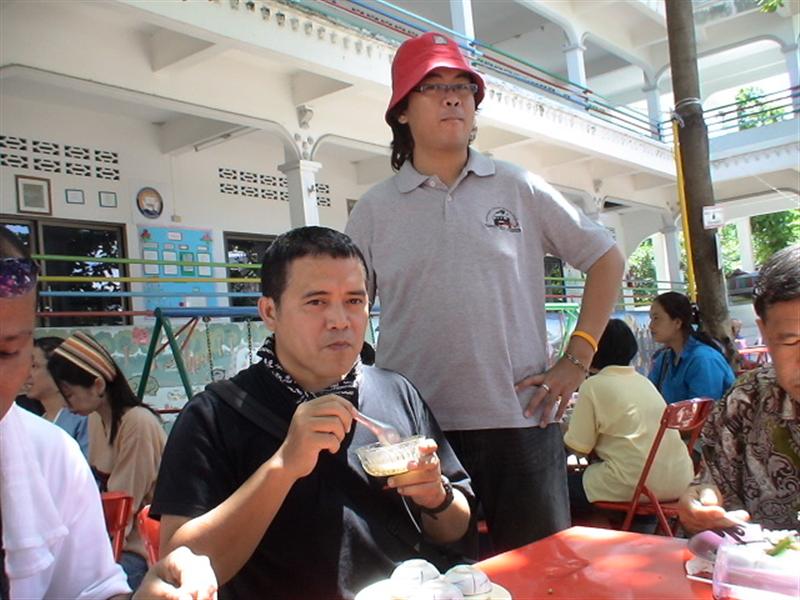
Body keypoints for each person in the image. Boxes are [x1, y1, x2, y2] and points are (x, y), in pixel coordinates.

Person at [345, 31, 625, 552]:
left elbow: (606, 258)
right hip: (415, 433)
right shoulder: (374, 209)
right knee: (430, 576)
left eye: (463, 87)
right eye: (432, 86)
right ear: (401, 110)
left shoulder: (519, 187)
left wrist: (578, 357)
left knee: (541, 570)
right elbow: (348, 304)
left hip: (522, 421)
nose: (452, 97)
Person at [151, 226, 474, 599]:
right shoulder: (214, 416)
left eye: (354, 300)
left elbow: (456, 527)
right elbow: (177, 569)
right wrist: (283, 466)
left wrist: (437, 497)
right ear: (270, 312)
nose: (340, 320)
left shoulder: (396, 391)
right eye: (317, 302)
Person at [0, 226, 217, 600]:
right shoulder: (87, 427)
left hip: (129, 545)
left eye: (7, 352)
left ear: (98, 384)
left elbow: (96, 575)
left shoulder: (65, 449)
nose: (67, 401)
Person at [678, 245, 800, 533]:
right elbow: (712, 492)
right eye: (791, 342)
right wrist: (700, 509)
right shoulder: (747, 400)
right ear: (765, 333)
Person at [47, 330, 167, 591]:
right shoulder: (95, 419)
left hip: (141, 547)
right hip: (113, 540)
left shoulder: (138, 423)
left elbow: (124, 507)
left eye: (69, 394)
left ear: (99, 385)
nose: (66, 404)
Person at [564, 319, 693, 515]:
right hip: (679, 479)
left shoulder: (593, 385)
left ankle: (600, 530)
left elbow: (579, 448)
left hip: (634, 485)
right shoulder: (643, 382)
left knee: (557, 486)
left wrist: (563, 430)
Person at [647, 291, 735, 404]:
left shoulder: (703, 359)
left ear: (677, 322)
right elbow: (649, 397)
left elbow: (703, 411)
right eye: (651, 319)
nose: (650, 325)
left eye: (656, 318)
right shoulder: (664, 359)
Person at [23, 336, 90, 457]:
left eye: (34, 366)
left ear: (58, 371)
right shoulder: (36, 422)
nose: (26, 373)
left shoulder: (82, 420)